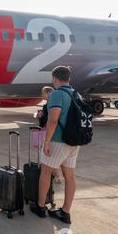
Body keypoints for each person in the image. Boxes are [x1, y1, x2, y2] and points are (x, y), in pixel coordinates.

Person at [30, 66, 80, 224]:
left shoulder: (57, 94)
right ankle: (65, 212)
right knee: (70, 176)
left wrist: (46, 141)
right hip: (74, 141)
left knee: (45, 172)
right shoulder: (76, 93)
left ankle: (40, 207)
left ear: (55, 79)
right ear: (68, 78)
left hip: (58, 140)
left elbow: (53, 120)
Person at [36, 86, 62, 184]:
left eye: (43, 94)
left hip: (50, 134)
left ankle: (56, 176)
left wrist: (40, 117)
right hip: (60, 134)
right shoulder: (59, 103)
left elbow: (45, 122)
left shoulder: (47, 106)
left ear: (48, 93)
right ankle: (57, 175)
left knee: (48, 157)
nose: (43, 96)